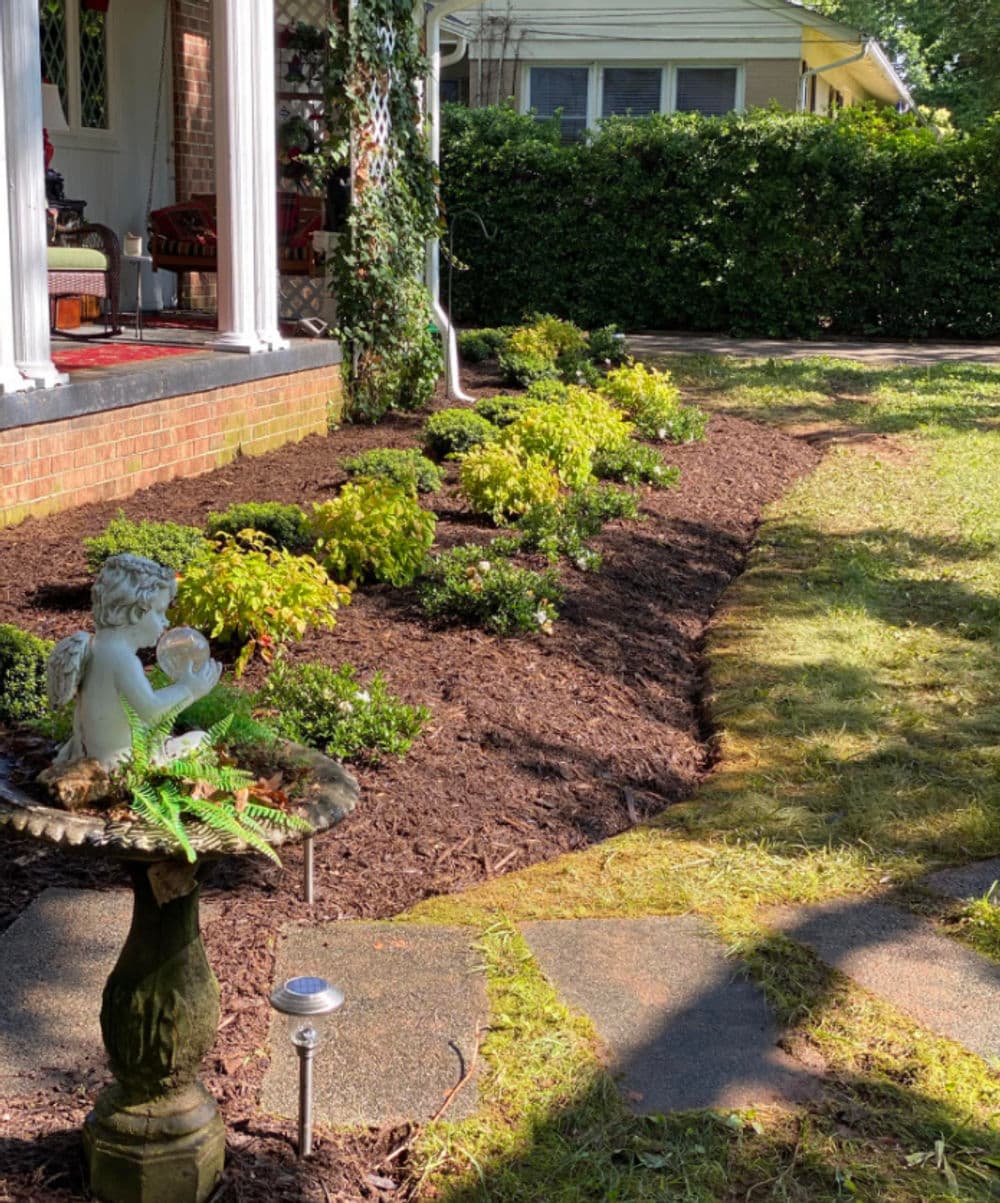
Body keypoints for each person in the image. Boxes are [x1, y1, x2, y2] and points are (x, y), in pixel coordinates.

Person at [47, 553, 220, 769]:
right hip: (121, 763)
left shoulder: (93, 646)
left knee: (169, 739)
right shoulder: (123, 660)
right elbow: (151, 712)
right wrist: (189, 689)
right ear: (134, 611)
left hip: (92, 754)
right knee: (201, 739)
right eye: (159, 612)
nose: (165, 622)